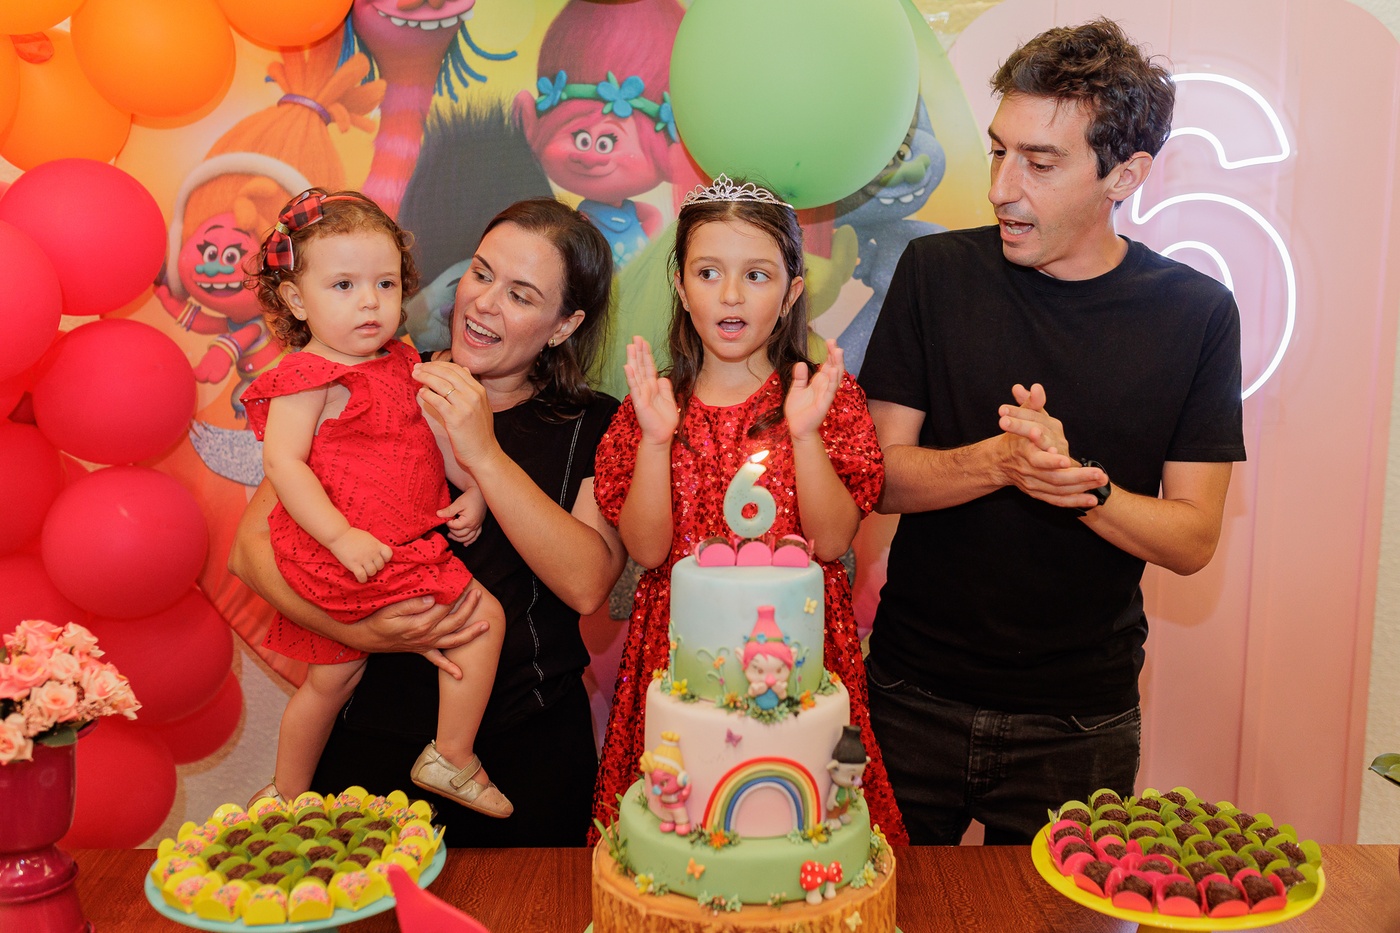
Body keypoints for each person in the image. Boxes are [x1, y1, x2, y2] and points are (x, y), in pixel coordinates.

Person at [858, 18, 1246, 845]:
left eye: (1039, 164)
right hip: (908, 695)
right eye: (999, 152)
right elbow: (877, 478)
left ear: (1125, 174)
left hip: (1080, 725)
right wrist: (1000, 460)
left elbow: (1192, 538)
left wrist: (1082, 487)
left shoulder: (1196, 314)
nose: (1001, 187)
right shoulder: (934, 275)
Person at [230, 198, 628, 846]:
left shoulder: (595, 422)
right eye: (481, 272)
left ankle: (455, 754)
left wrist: (483, 455)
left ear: (564, 325)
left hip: (525, 750)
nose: (484, 302)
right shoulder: (380, 376)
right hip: (370, 745)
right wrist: (361, 631)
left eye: (521, 294)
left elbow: (587, 585)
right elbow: (249, 552)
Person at [589, 175, 909, 845]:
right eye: (709, 272)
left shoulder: (825, 401)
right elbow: (646, 550)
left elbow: (832, 540)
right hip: (680, 655)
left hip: (799, 653)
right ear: (682, 287)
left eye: (756, 275)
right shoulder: (652, 406)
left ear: (791, 292)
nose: (730, 294)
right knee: (675, 839)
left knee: (801, 828)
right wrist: (655, 439)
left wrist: (804, 435)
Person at [240, 188, 511, 817]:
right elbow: (283, 464)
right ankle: (450, 757)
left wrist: (472, 488)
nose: (370, 301)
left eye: (385, 284)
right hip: (348, 548)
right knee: (483, 619)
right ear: (295, 299)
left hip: (394, 542)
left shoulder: (400, 361)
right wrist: (340, 537)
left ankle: (287, 793)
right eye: (344, 285)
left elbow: (429, 437)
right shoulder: (306, 376)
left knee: (335, 678)